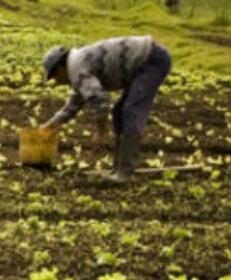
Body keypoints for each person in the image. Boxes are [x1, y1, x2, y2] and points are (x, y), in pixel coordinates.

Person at [39, 36, 172, 182]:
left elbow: (100, 100)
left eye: (55, 77)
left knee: (131, 110)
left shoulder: (77, 69)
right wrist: (49, 125)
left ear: (60, 68)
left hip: (151, 60)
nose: (58, 82)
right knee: (119, 111)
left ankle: (126, 173)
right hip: (147, 59)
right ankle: (119, 169)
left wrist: (100, 134)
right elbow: (73, 105)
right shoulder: (77, 66)